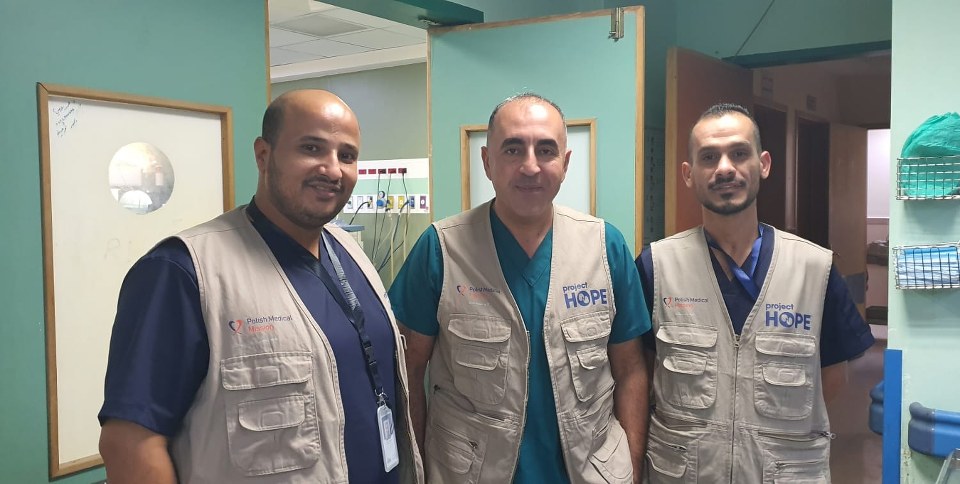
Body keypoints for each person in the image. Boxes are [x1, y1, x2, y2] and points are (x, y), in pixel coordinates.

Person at [97, 89, 424, 484]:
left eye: (347, 155)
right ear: (264, 155)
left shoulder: (350, 252)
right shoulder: (183, 272)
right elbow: (130, 444)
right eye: (311, 148)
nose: (333, 169)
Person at [390, 93, 650, 484]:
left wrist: (632, 468)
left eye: (546, 150)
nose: (530, 166)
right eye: (513, 149)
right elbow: (409, 370)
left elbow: (631, 370)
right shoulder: (441, 249)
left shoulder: (604, 247)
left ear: (565, 163)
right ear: (487, 161)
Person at [637, 103, 874, 483]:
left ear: (763, 164)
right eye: (708, 157)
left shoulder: (815, 269)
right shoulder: (656, 266)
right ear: (688, 174)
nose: (724, 168)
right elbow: (642, 374)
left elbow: (831, 381)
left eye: (739, 153)